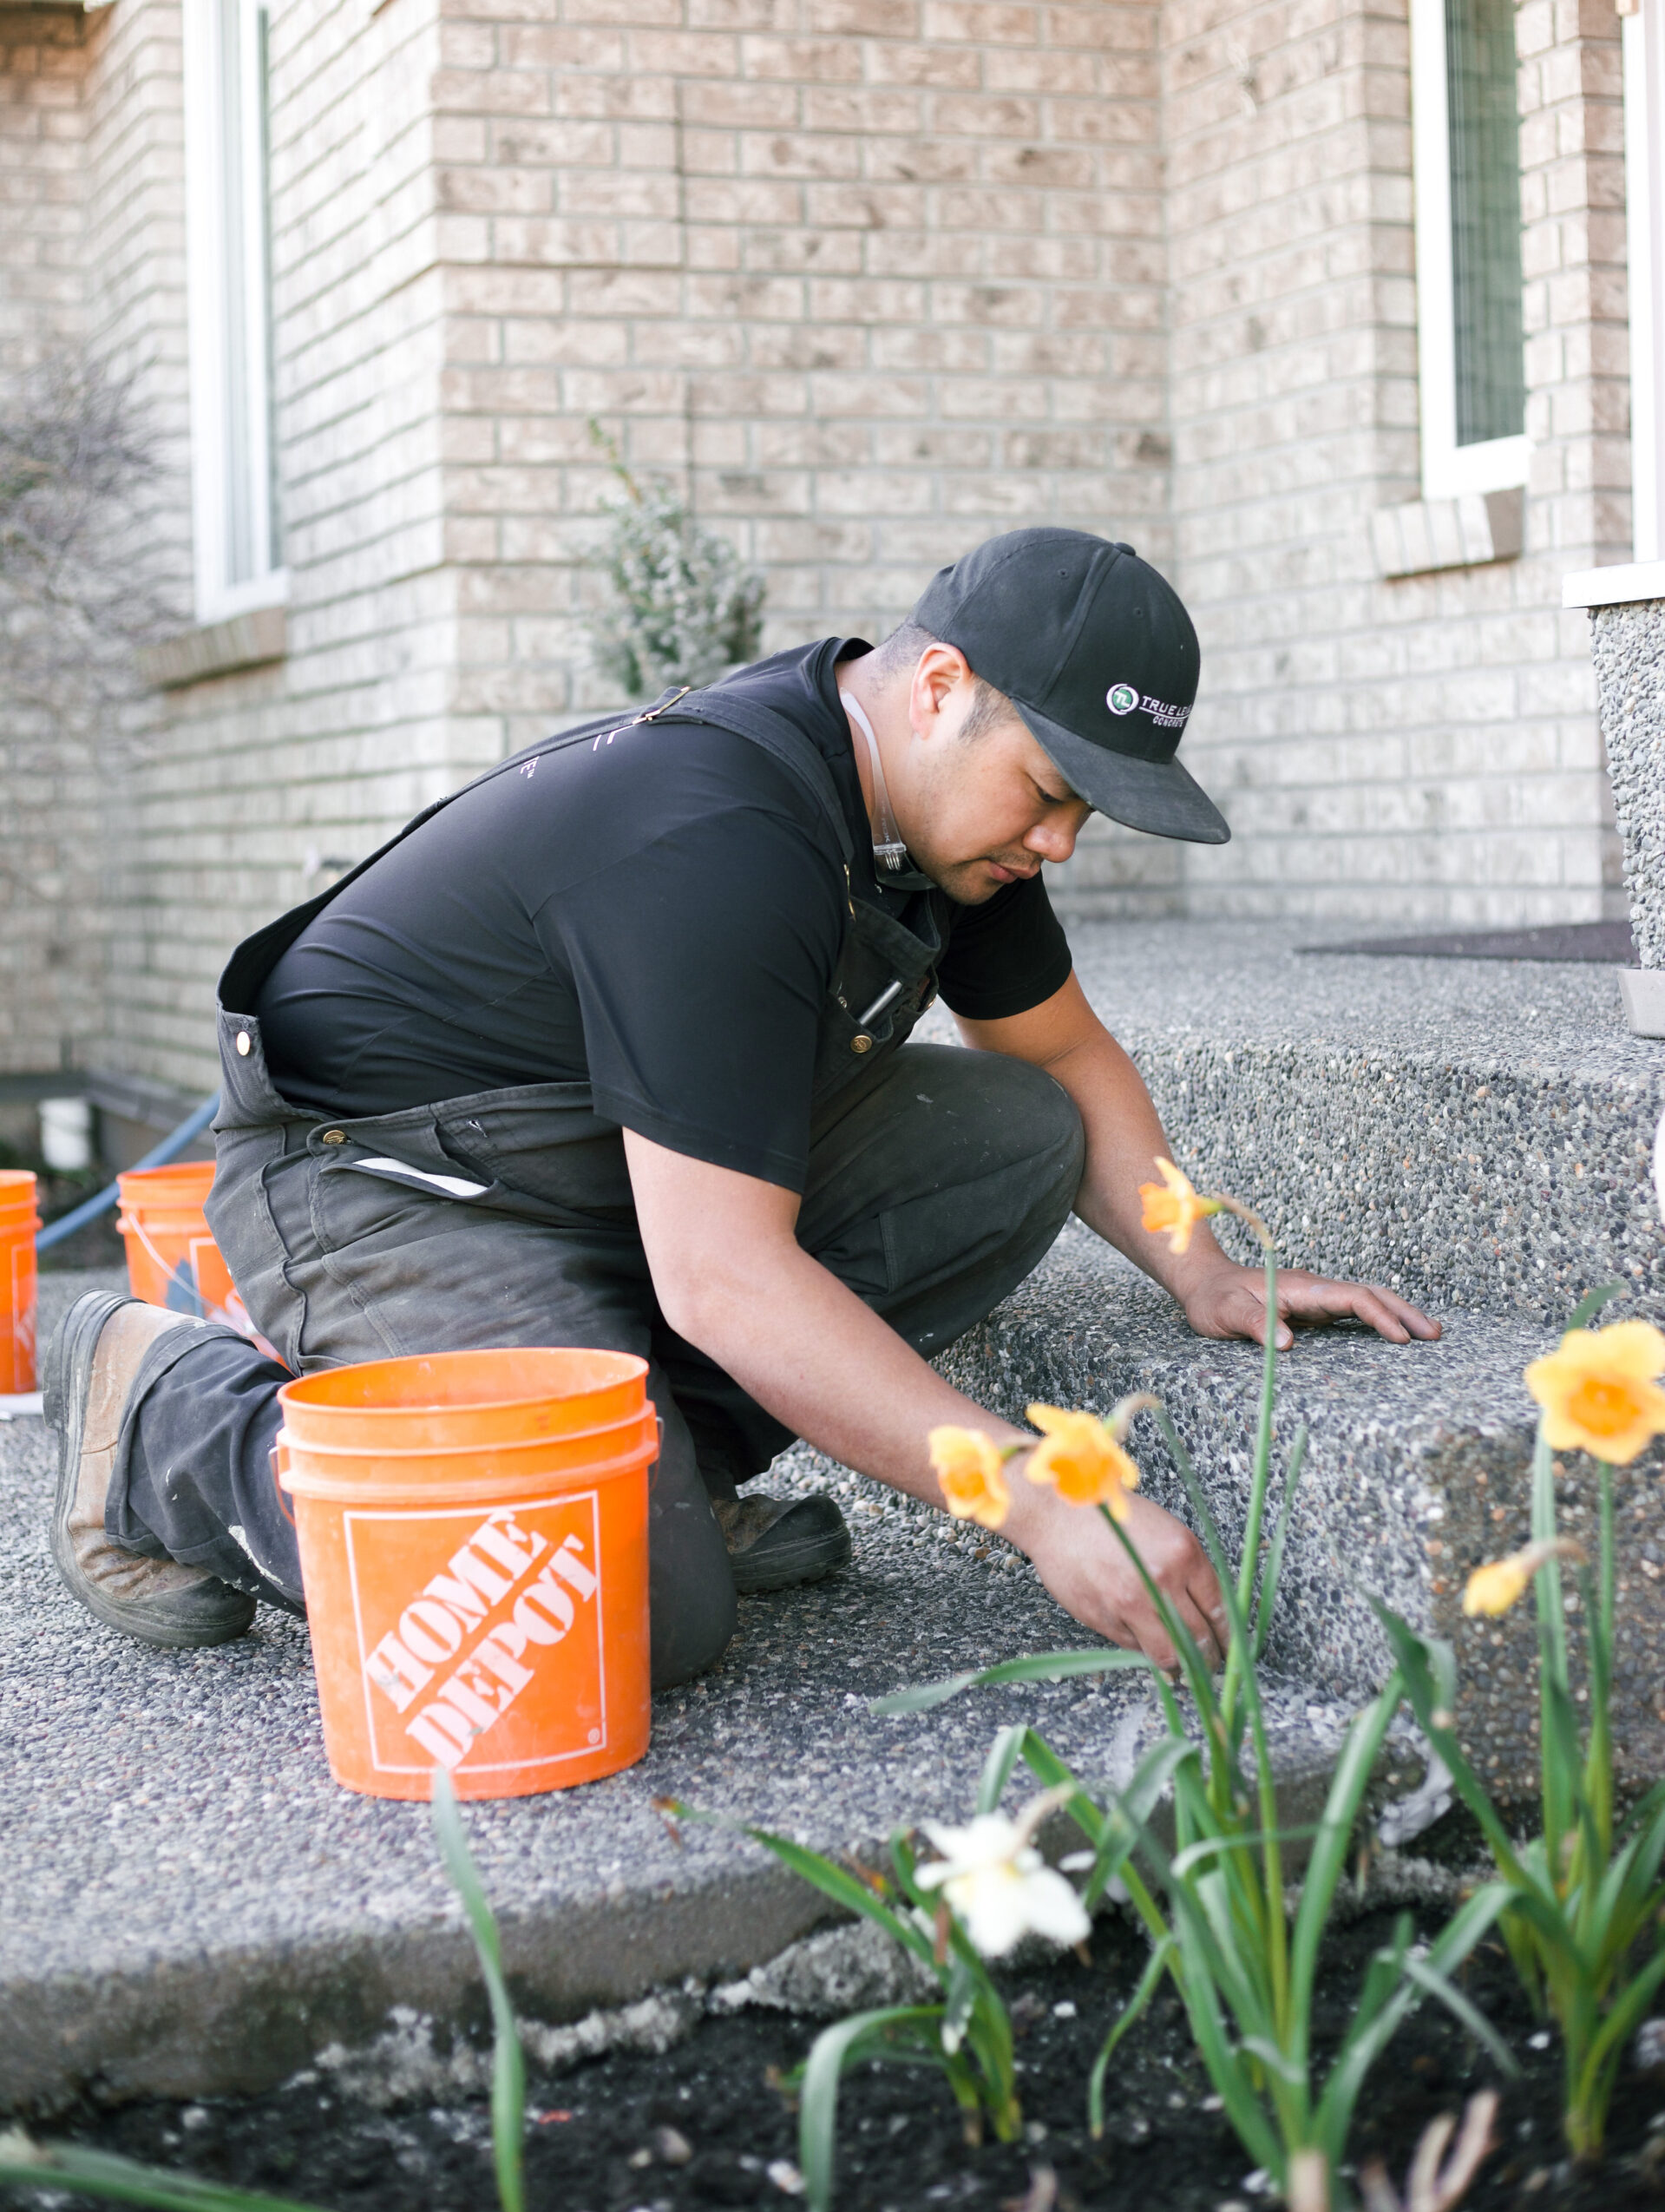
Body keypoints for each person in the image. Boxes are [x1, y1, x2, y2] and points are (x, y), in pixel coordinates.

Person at [45, 528, 1438, 1692]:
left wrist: (1201, 1265)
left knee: (1013, 1138)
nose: (1061, 840)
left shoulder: (936, 831)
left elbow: (1066, 1055)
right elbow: (724, 1277)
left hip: (593, 1164)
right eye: (1053, 792)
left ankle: (670, 1461)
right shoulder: (717, 837)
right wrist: (1035, 1495)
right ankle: (170, 1413)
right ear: (942, 686)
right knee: (628, 1614)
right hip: (379, 1179)